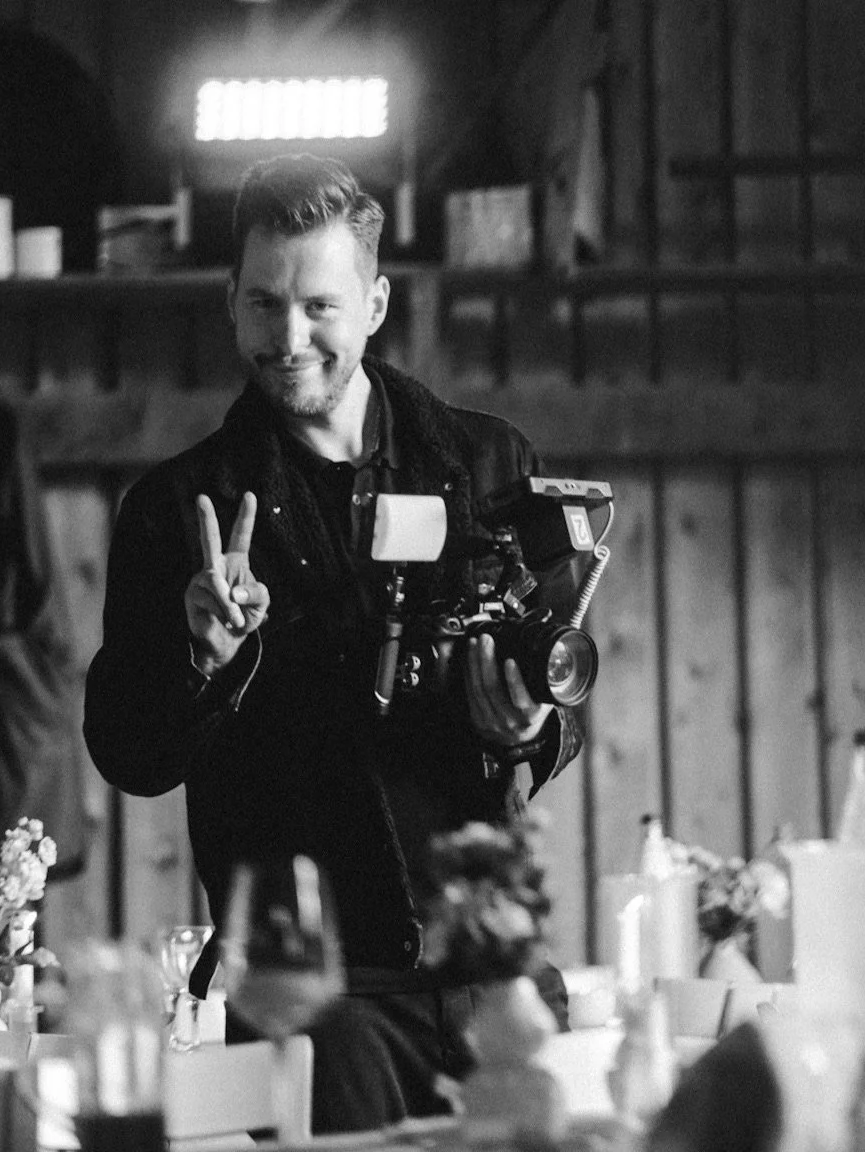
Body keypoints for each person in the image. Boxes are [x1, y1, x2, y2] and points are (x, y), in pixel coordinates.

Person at [83, 153, 581, 1132]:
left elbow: (556, 697)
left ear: (376, 303)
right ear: (230, 304)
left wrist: (527, 721)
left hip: (493, 974)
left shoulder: (492, 466)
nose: (289, 337)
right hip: (306, 1001)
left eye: (320, 306)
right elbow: (129, 754)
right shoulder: (176, 509)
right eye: (264, 304)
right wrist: (203, 660)